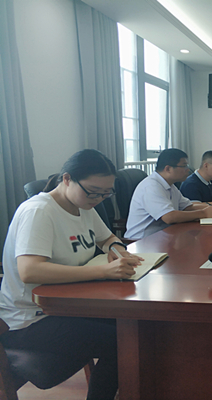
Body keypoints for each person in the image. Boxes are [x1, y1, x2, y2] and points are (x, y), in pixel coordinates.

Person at [0, 149, 143, 400]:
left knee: (136, 324)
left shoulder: (83, 205)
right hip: (31, 320)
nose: (99, 199)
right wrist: (101, 270)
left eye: (106, 193)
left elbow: (106, 238)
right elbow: (29, 270)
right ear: (67, 179)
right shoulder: (39, 211)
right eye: (93, 191)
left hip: (67, 305)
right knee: (123, 341)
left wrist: (117, 250)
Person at [125, 148, 212, 240]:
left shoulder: (170, 186)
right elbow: (169, 217)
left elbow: (188, 207)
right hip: (142, 242)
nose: (187, 170)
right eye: (184, 166)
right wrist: (204, 213)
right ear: (168, 168)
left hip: (164, 236)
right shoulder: (151, 186)